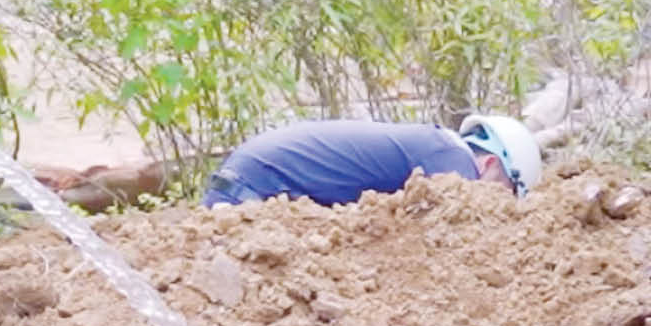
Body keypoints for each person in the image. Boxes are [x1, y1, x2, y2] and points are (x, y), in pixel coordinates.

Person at [201, 115, 543, 208]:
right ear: (489, 165)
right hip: (251, 194)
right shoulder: (452, 160)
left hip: (245, 182)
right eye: (505, 193)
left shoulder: (433, 147)